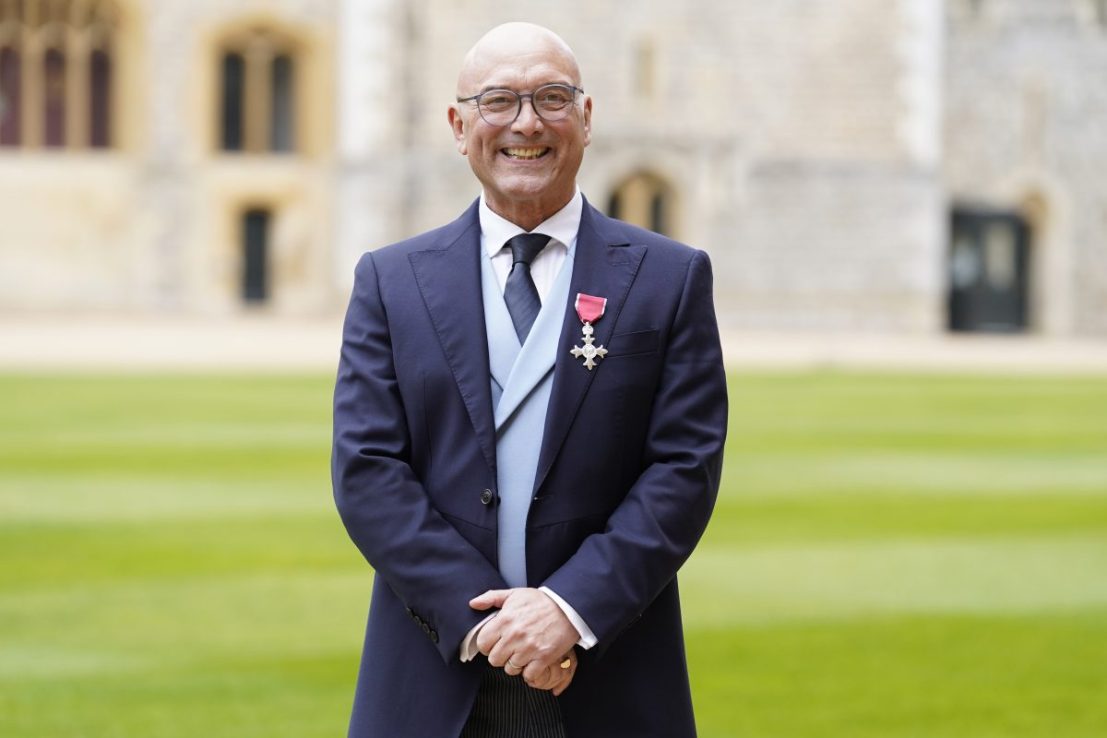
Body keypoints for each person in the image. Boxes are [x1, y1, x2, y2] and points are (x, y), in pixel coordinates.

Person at [331, 21, 727, 738]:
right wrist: (489, 625)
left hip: (607, 675)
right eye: (498, 101)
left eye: (551, 98)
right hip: (433, 673)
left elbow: (683, 468)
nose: (526, 123)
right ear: (459, 125)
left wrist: (567, 612)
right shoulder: (390, 280)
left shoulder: (670, 277)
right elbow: (367, 473)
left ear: (585, 117)